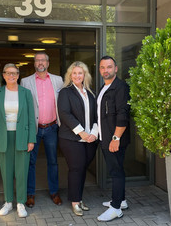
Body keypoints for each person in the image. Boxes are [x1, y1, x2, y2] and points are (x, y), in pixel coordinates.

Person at [0, 64, 36, 218]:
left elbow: (30, 117)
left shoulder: (26, 93)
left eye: (14, 73)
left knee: (22, 170)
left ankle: (21, 203)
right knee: (6, 170)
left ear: (18, 75)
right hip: (3, 136)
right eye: (8, 73)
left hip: (22, 136)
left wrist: (31, 139)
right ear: (3, 75)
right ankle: (8, 202)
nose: (11, 76)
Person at [20, 52, 64, 207]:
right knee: (30, 162)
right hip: (34, 129)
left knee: (53, 161)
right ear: (34, 63)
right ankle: (30, 194)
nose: (40, 62)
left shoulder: (58, 80)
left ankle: (54, 192)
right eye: (37, 60)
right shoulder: (25, 82)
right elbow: (23, 107)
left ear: (48, 62)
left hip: (52, 127)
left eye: (43, 60)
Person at [57, 61, 98, 216]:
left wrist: (94, 133)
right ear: (70, 75)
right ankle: (75, 202)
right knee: (76, 169)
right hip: (71, 139)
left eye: (80, 73)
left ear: (85, 75)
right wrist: (82, 133)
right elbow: (65, 114)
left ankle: (79, 199)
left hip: (90, 140)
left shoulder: (91, 93)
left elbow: (97, 116)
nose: (77, 76)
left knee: (82, 169)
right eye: (74, 73)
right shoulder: (65, 92)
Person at [96, 55, 130, 222]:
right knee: (116, 170)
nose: (105, 70)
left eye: (109, 67)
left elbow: (123, 114)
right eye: (102, 67)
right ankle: (121, 200)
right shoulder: (104, 87)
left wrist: (116, 138)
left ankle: (116, 208)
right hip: (106, 138)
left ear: (115, 69)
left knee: (116, 172)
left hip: (114, 139)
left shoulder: (121, 87)